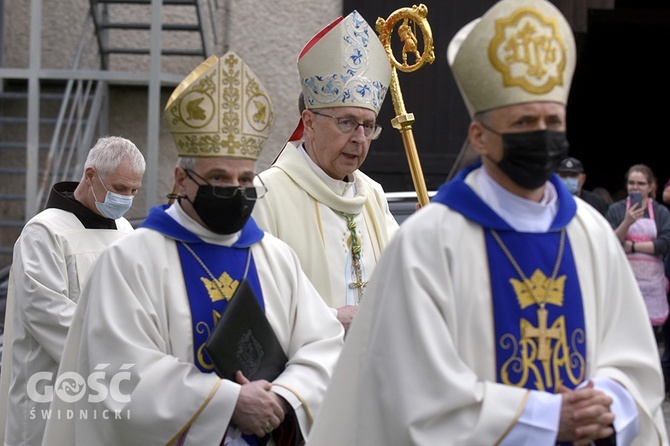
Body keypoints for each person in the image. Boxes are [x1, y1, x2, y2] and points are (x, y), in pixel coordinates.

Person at [307, 0, 669, 444]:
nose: (541, 133)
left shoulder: (590, 235)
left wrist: (609, 408)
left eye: (551, 121)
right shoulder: (428, 244)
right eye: (522, 122)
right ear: (479, 137)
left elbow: (636, 366)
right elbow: (413, 398)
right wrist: (546, 418)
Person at [42, 51, 344, 445]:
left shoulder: (275, 257)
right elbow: (119, 373)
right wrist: (227, 402)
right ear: (182, 178)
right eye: (219, 177)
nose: (234, 191)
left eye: (245, 179)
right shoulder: (131, 260)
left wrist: (285, 397)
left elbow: (323, 345)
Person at [252, 10, 399, 333]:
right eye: (346, 122)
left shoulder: (372, 195)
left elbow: (400, 284)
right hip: (304, 374)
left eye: (368, 126)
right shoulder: (266, 194)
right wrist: (331, 320)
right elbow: (255, 302)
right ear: (309, 123)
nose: (359, 139)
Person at [0, 135, 145, 446]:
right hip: (51, 390)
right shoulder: (44, 231)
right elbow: (48, 313)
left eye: (134, 191)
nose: (127, 198)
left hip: (112, 387)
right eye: (120, 189)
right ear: (90, 175)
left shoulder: (125, 231)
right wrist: (119, 356)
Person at [605, 164, 670, 328]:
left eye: (640, 184)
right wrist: (627, 222)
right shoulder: (616, 210)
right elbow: (609, 243)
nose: (635, 187)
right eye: (631, 183)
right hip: (624, 281)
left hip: (652, 284)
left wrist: (633, 246)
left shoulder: (661, 212)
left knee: (652, 334)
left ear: (650, 187)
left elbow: (664, 244)